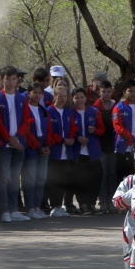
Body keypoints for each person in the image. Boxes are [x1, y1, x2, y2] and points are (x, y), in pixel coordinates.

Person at [0, 66, 30, 222]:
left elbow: (27, 120)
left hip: (19, 145)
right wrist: (9, 138)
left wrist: (18, 137)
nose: (10, 82)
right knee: (4, 178)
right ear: (1, 79)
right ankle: (4, 210)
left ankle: (15, 209)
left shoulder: (22, 98)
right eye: (7, 79)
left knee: (15, 179)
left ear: (17, 81)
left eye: (13, 79)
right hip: (4, 145)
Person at [22, 82, 56, 220]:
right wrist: (38, 147)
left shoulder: (43, 110)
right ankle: (30, 207)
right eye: (34, 92)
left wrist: (47, 145)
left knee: (41, 179)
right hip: (31, 146)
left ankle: (37, 206)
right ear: (29, 93)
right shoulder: (25, 109)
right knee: (30, 178)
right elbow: (27, 132)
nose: (37, 95)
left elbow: (48, 129)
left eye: (39, 93)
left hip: (44, 145)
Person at [70, 87, 105, 215]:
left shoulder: (95, 112)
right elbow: (68, 131)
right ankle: (83, 204)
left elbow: (102, 130)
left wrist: (94, 131)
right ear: (72, 99)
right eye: (76, 97)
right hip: (78, 153)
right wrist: (77, 137)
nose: (79, 100)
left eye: (81, 97)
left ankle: (91, 203)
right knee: (80, 180)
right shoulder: (70, 113)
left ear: (86, 98)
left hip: (93, 152)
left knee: (94, 179)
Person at [46, 87, 77, 217]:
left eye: (65, 96)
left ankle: (60, 205)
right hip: (54, 152)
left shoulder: (68, 112)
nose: (63, 99)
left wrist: (70, 138)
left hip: (66, 153)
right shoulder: (49, 111)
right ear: (54, 97)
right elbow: (50, 132)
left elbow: (73, 128)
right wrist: (62, 140)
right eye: (60, 96)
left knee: (63, 180)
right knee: (54, 180)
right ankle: (54, 205)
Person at [113, 79, 135, 179]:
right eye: (130, 91)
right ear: (124, 92)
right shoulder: (118, 108)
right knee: (121, 175)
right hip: (122, 146)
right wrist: (132, 140)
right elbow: (118, 127)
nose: (133, 94)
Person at [94, 80, 120, 212]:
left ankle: (113, 200)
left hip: (114, 144)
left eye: (109, 91)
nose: (106, 94)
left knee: (112, 173)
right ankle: (103, 201)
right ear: (99, 92)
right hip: (100, 144)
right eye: (103, 91)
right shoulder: (95, 107)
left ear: (112, 92)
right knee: (103, 173)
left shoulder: (116, 106)